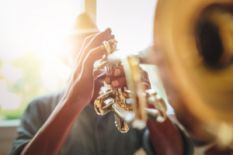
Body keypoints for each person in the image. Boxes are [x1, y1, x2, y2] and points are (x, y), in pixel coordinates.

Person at [10, 13, 191, 155]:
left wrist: (145, 101)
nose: (90, 54)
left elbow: (174, 152)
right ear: (68, 58)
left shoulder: (126, 107)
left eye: (93, 45)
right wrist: (73, 101)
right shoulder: (39, 108)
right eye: (80, 47)